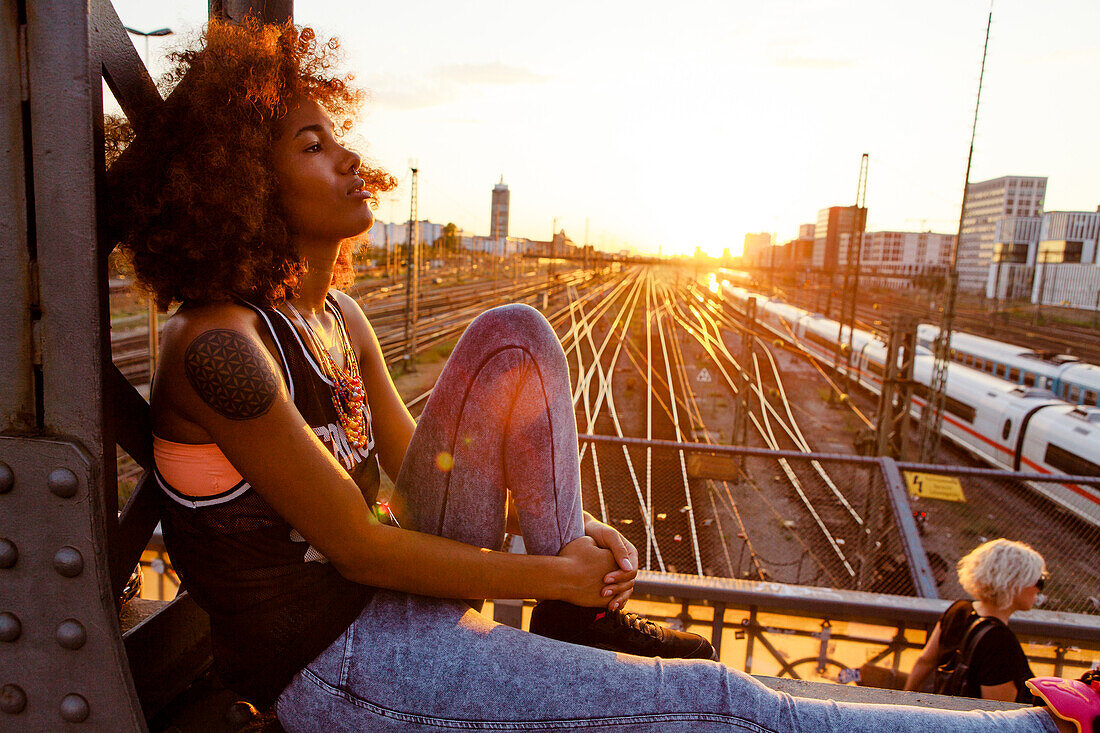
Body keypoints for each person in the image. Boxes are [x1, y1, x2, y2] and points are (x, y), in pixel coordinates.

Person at [110, 17, 1093, 733]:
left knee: (513, 330)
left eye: (338, 133)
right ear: (241, 178)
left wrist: (570, 539)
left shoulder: (338, 317)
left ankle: (577, 617)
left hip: (383, 614)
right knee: (717, 701)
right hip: (330, 666)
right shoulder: (222, 349)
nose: (348, 157)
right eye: (310, 143)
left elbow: (418, 495)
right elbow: (362, 549)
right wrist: (543, 568)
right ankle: (1026, 731)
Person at [905, 539, 1044, 703]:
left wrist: (905, 705)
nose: (1039, 589)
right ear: (1013, 584)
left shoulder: (959, 610)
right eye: (1038, 581)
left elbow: (925, 662)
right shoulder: (1000, 642)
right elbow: (1000, 716)